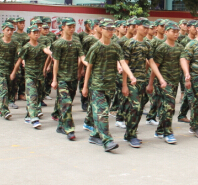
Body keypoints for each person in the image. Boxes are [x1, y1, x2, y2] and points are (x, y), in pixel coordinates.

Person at [82, 21, 137, 153]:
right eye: (108, 29)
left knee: (103, 113)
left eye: (113, 29)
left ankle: (95, 136)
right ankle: (107, 141)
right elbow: (89, 67)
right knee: (102, 114)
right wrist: (85, 86)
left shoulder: (115, 46)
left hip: (110, 86)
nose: (111, 32)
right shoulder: (95, 47)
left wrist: (131, 76)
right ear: (101, 30)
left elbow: (123, 62)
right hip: (97, 86)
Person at [148, 22, 184, 143]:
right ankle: (168, 133)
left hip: (175, 81)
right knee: (169, 106)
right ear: (166, 32)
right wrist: (151, 83)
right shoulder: (161, 48)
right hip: (163, 82)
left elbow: (182, 63)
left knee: (167, 108)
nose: (176, 34)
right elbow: (155, 67)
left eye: (177, 32)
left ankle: (159, 130)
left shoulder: (179, 47)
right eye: (173, 31)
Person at [51, 18, 85, 139]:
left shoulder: (76, 43)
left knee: (66, 104)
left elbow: (82, 57)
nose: (72, 29)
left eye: (73, 27)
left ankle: (61, 126)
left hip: (73, 78)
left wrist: (89, 64)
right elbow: (55, 62)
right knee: (67, 103)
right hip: (62, 79)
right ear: (63, 27)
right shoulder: (58, 44)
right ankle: (69, 129)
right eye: (69, 27)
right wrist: (54, 80)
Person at [12, 25, 52, 129]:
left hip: (40, 76)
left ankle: (28, 116)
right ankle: (34, 118)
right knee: (32, 96)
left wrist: (51, 54)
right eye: (34, 32)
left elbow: (46, 51)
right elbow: (19, 61)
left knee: (38, 97)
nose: (37, 34)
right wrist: (13, 73)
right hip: (30, 76)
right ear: (29, 34)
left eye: (38, 32)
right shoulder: (26, 47)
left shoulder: (41, 45)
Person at [122, 18, 153, 148]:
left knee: (138, 109)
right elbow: (125, 64)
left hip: (142, 81)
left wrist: (157, 79)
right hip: (131, 81)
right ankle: (131, 136)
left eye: (148, 28)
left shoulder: (147, 44)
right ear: (137, 27)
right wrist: (124, 84)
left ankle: (130, 133)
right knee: (135, 107)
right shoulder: (130, 43)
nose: (146, 30)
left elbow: (151, 63)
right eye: (144, 27)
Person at [10, 17, 29, 105]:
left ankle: (21, 93)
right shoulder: (13, 35)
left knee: (23, 77)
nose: (22, 25)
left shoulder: (26, 35)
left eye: (23, 23)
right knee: (16, 77)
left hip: (25, 58)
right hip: (15, 59)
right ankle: (14, 93)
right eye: (20, 23)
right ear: (17, 24)